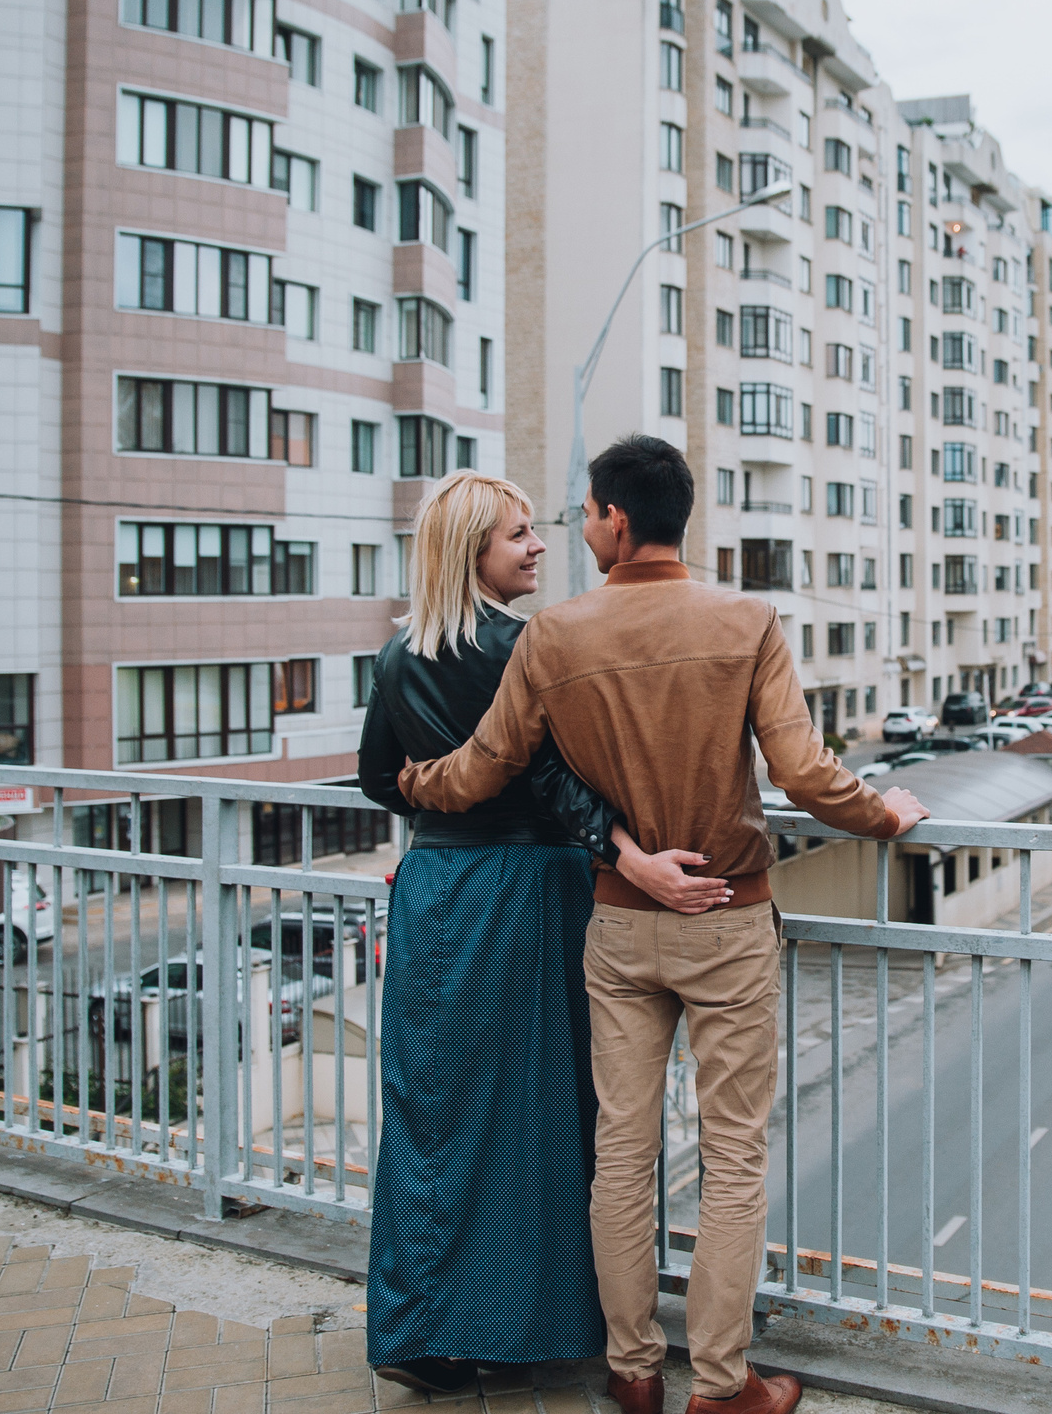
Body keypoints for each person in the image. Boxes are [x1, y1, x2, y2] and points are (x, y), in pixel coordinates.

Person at [396, 435, 928, 1414]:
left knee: (622, 1153)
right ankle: (722, 1384)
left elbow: (481, 764)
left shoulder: (556, 634)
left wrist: (411, 780)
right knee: (731, 1155)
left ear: (617, 519)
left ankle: (632, 1369)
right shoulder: (745, 619)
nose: (578, 528)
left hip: (620, 925)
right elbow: (804, 775)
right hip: (727, 919)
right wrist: (886, 813)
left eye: (586, 512)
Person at [357, 471, 643, 1395]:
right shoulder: (529, 645)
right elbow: (568, 780)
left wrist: (431, 799)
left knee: (431, 1109)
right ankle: (526, 1323)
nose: (537, 546)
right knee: (538, 1108)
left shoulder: (400, 652)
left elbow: (374, 775)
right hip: (527, 887)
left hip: (436, 882)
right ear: (471, 550)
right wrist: (627, 850)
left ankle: (421, 1328)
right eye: (519, 535)